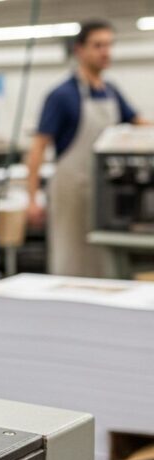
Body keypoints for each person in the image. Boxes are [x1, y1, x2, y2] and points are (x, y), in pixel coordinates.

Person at [26, 20, 148, 277]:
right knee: (71, 257)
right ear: (79, 50)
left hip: (105, 193)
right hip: (71, 191)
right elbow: (37, 147)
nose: (105, 52)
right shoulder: (62, 95)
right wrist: (32, 198)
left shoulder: (112, 92)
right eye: (98, 45)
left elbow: (139, 123)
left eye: (109, 45)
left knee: (103, 260)